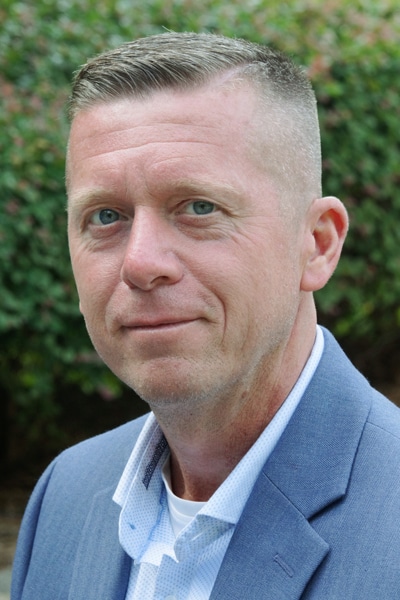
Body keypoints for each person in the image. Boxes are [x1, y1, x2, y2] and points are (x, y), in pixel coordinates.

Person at [11, 32, 400, 600]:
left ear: (317, 245)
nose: (141, 263)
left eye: (198, 207)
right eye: (106, 216)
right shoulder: (64, 497)